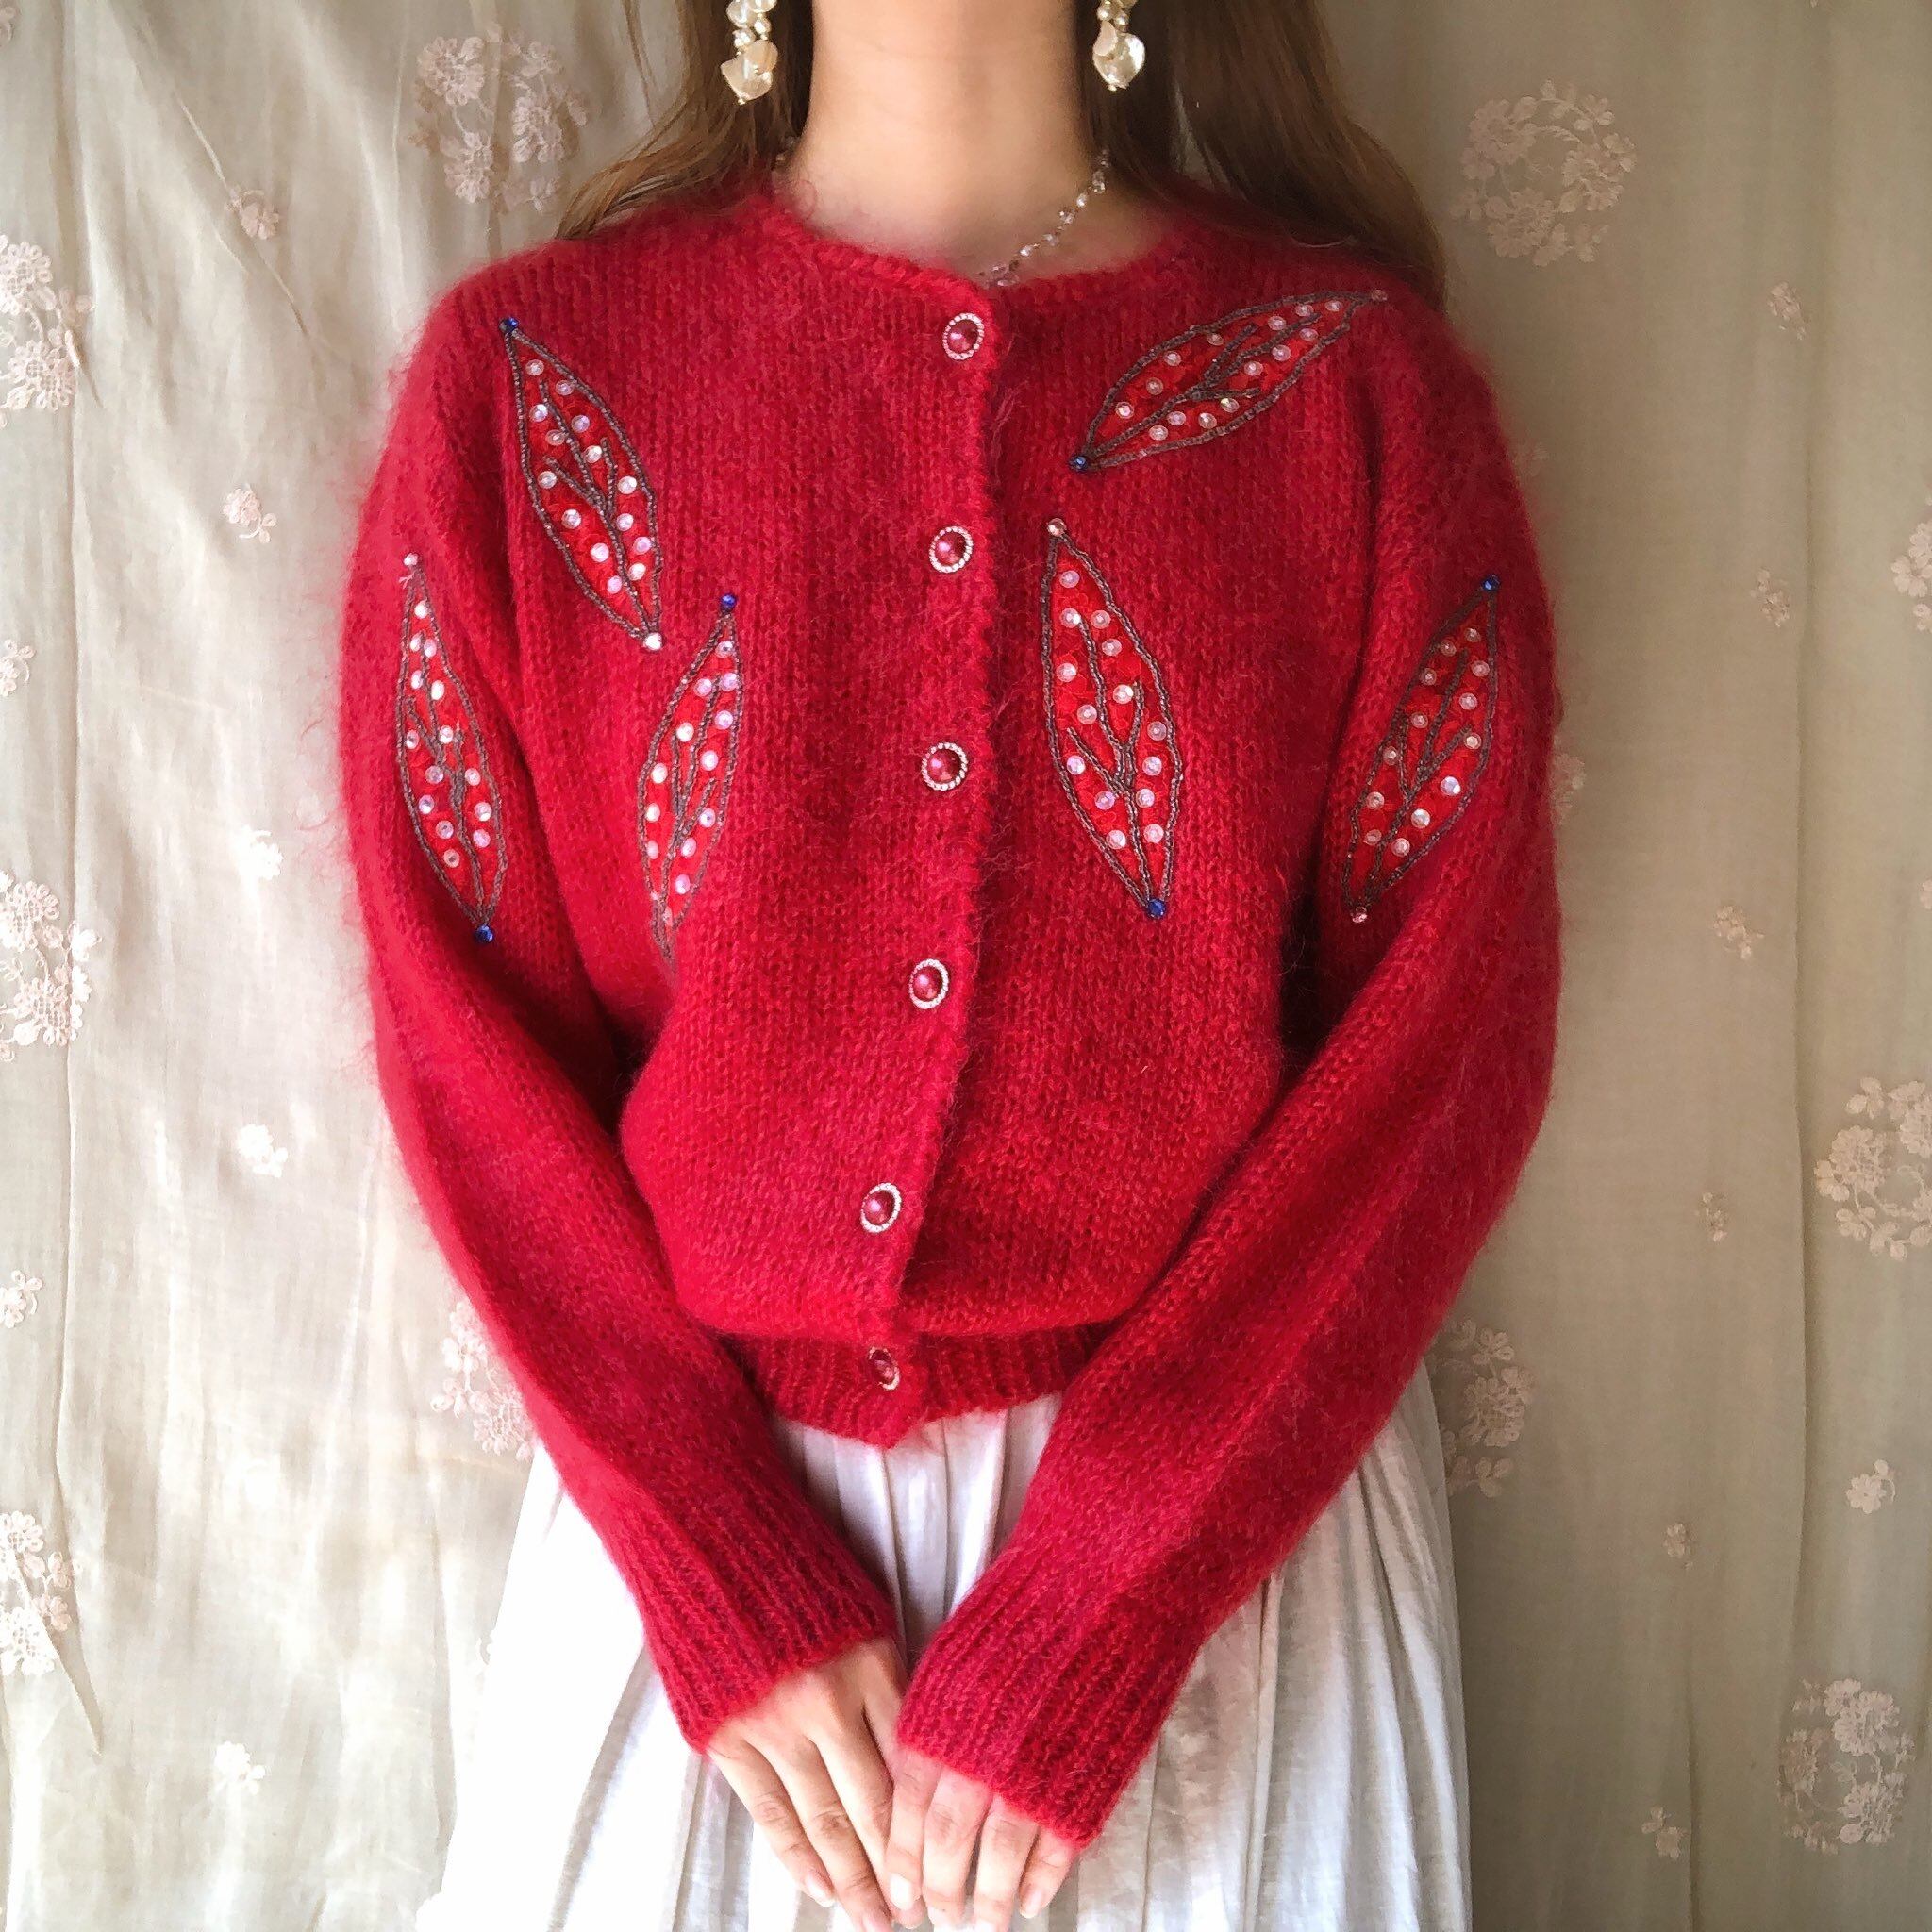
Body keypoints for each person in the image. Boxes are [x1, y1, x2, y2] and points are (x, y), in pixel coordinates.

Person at [337, 2, 1565, 1926]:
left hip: (1234, 1575)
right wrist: (716, 1557)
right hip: (711, 1623)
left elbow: (1436, 1046)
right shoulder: (528, 382)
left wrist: (1111, 1597)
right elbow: (460, 1040)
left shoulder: (1357, 395)